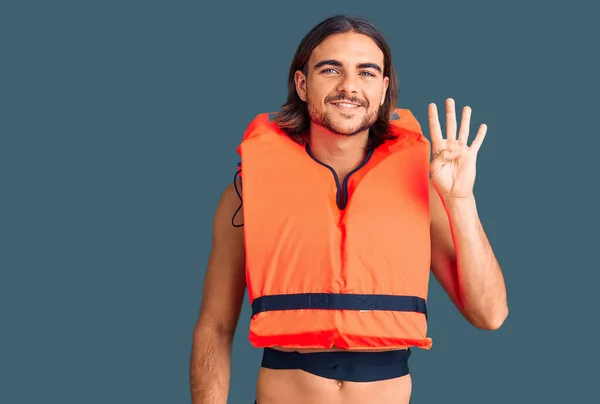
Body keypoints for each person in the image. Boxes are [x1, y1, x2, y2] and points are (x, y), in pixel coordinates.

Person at [189, 14, 508, 404]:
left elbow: (490, 315)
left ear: (384, 88)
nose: (349, 86)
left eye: (367, 73)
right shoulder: (246, 193)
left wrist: (461, 202)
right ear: (302, 84)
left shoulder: (423, 190)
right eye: (331, 69)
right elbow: (215, 327)